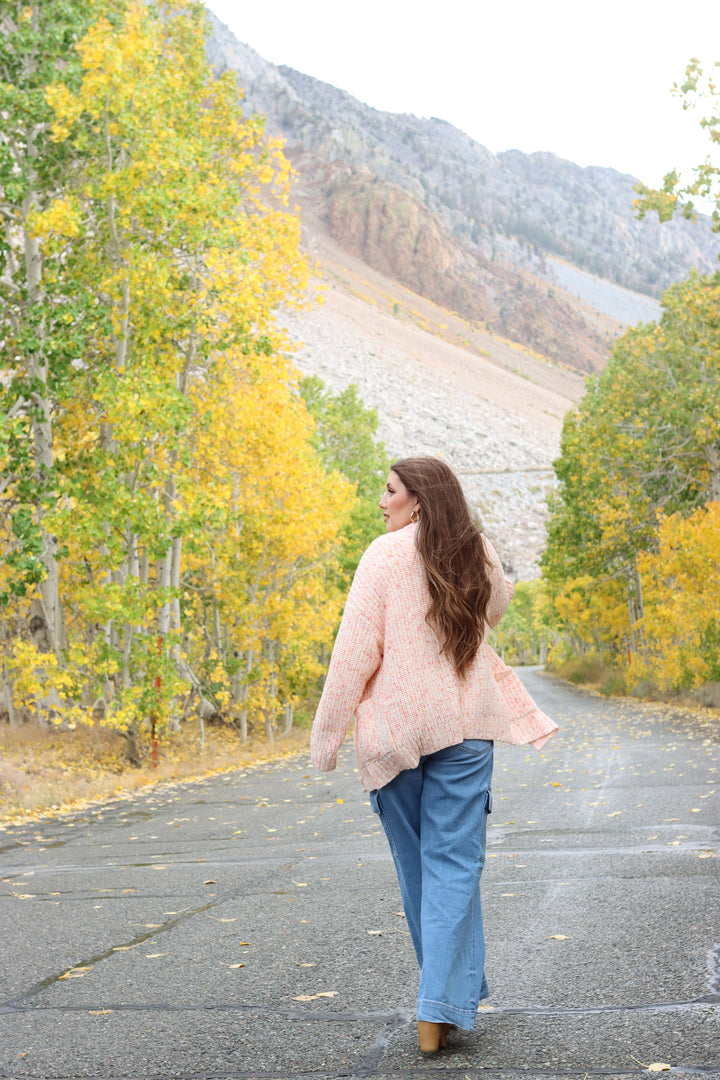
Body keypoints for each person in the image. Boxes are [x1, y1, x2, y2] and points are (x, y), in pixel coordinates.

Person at [310, 456, 557, 1053]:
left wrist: (327, 737)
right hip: (467, 726)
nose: (380, 500)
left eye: (389, 491)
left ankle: (440, 1003)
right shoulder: (474, 548)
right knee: (455, 864)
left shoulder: (382, 556)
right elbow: (495, 608)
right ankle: (442, 1004)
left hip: (395, 733)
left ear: (417, 499)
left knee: (422, 868)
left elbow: (353, 653)